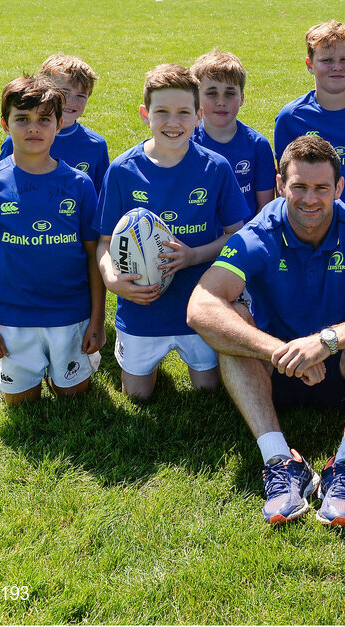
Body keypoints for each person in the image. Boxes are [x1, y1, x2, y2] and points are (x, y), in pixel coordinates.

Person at [187, 136, 345, 527]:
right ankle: (280, 462)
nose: (309, 199)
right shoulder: (259, 233)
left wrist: (327, 341)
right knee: (232, 328)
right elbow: (201, 307)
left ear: (339, 188)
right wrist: (277, 349)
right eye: (299, 187)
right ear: (280, 185)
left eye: (321, 188)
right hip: (273, 371)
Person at [96, 63, 249, 400]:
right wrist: (110, 278)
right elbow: (104, 243)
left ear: (199, 115)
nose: (173, 122)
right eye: (161, 111)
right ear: (144, 114)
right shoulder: (122, 170)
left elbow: (236, 236)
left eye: (183, 112)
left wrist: (193, 255)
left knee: (207, 391)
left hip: (198, 305)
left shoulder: (216, 168)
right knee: (137, 396)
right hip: (142, 306)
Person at [0, 75, 105, 404]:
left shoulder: (80, 185)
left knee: (73, 397)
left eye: (44, 119)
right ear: (4, 124)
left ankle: (76, 361)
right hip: (13, 316)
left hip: (70, 313)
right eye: (22, 119)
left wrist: (96, 319)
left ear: (59, 124)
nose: (34, 128)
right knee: (20, 403)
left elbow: (92, 254)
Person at [273, 21, 345, 232]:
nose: (337, 67)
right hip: (311, 226)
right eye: (327, 60)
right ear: (310, 65)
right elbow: (283, 179)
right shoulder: (290, 117)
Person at [0, 54, 110, 196]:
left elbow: (101, 196)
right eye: (64, 93)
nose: (71, 101)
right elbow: (1, 182)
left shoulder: (96, 144)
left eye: (81, 95)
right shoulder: (18, 140)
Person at [191, 50, 276, 214]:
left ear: (242, 98)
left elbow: (264, 210)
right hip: (201, 238)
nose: (221, 101)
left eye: (230, 93)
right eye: (211, 93)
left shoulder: (257, 146)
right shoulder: (187, 142)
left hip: (245, 236)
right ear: (196, 98)